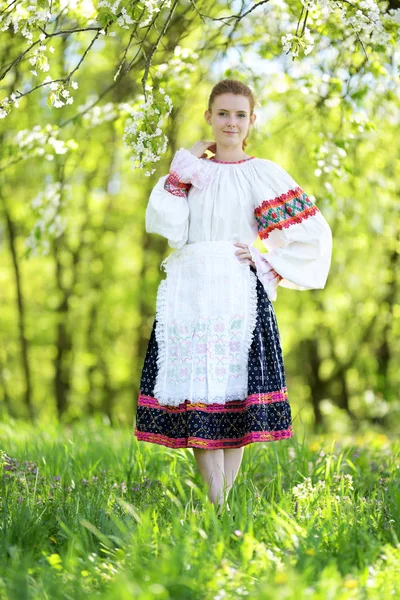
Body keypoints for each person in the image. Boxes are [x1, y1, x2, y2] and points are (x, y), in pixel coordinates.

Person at [134, 79, 332, 518]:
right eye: (223, 113)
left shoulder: (262, 173)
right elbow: (167, 226)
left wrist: (263, 258)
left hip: (238, 290)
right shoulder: (192, 172)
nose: (231, 122)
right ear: (209, 116)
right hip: (191, 290)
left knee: (233, 399)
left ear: (251, 121)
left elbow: (313, 235)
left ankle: (219, 508)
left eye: (240, 114)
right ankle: (217, 504)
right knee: (198, 396)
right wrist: (182, 166)